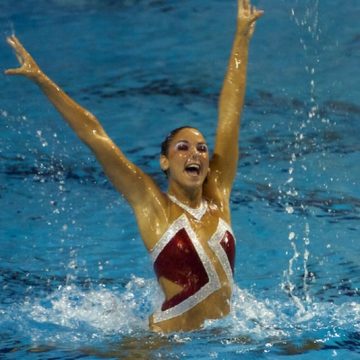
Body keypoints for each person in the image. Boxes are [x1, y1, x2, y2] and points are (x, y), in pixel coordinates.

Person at [5, 0, 263, 333]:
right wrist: (42, 80)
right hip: (164, 343)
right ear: (165, 162)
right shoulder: (153, 207)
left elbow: (230, 114)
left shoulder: (219, 198)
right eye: (182, 148)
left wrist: (242, 36)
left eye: (201, 148)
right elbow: (95, 135)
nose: (195, 154)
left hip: (224, 339)